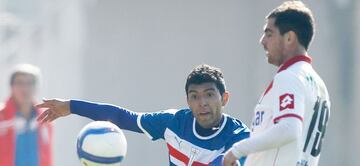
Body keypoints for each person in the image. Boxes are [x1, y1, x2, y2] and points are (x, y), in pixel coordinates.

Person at [37, 64, 249, 165]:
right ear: (188, 101)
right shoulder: (174, 122)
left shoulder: (240, 136)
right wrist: (72, 106)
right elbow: (123, 118)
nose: (202, 103)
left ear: (224, 99)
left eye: (209, 95)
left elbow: (224, 163)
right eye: (194, 96)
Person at [223, 1, 331, 166]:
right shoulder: (318, 84)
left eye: (269, 34)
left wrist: (237, 150)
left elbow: (289, 129)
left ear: (289, 38)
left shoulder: (289, 76)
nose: (262, 41)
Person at [0, 64, 52, 166]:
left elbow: (47, 155)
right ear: (11, 86)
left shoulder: (46, 118)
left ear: (37, 87)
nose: (25, 88)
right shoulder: (1, 117)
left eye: (30, 83)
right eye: (20, 83)